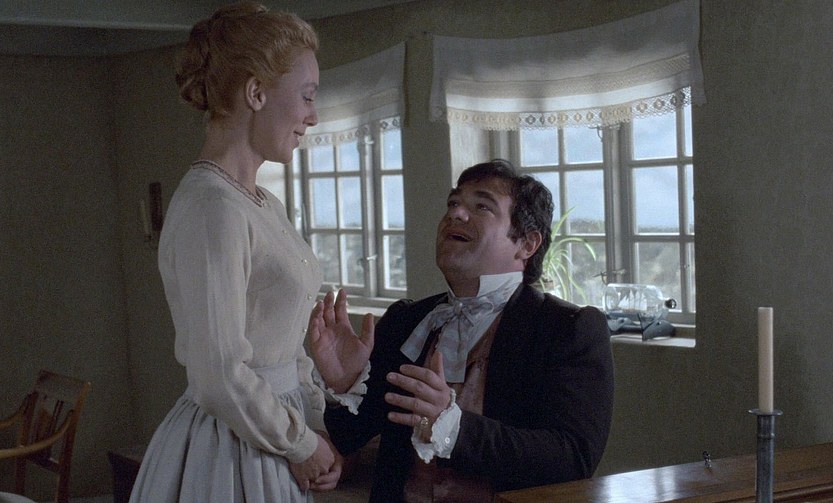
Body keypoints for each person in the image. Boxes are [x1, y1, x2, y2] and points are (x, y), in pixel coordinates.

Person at [308, 159, 615, 502]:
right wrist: (346, 383)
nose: (455, 214)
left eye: (482, 206)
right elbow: (349, 436)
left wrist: (452, 427)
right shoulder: (407, 320)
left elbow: (572, 459)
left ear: (527, 244)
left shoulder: (568, 330)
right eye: (453, 203)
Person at [129, 3, 340, 501]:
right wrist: (299, 442)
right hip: (230, 451)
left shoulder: (261, 202)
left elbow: (284, 346)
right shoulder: (213, 207)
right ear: (256, 92)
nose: (312, 116)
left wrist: (314, 426)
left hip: (272, 436)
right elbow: (219, 373)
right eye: (307, 96)